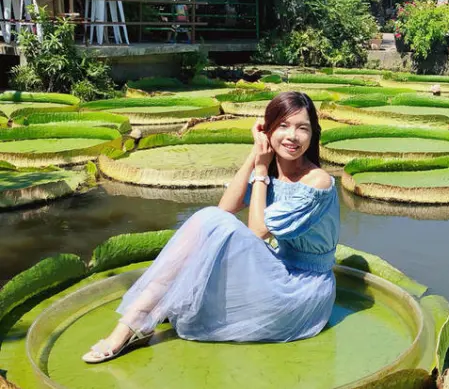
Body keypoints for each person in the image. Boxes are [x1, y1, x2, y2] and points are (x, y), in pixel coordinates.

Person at [82, 91, 339, 363]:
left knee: (213, 224)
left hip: (301, 292)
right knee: (210, 220)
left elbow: (258, 231)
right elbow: (224, 209)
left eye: (302, 128)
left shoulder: (317, 182)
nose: (292, 136)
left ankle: (136, 321)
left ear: (313, 133)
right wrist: (254, 156)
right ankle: (135, 318)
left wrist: (262, 172)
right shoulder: (274, 171)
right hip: (278, 269)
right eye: (283, 126)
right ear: (267, 130)